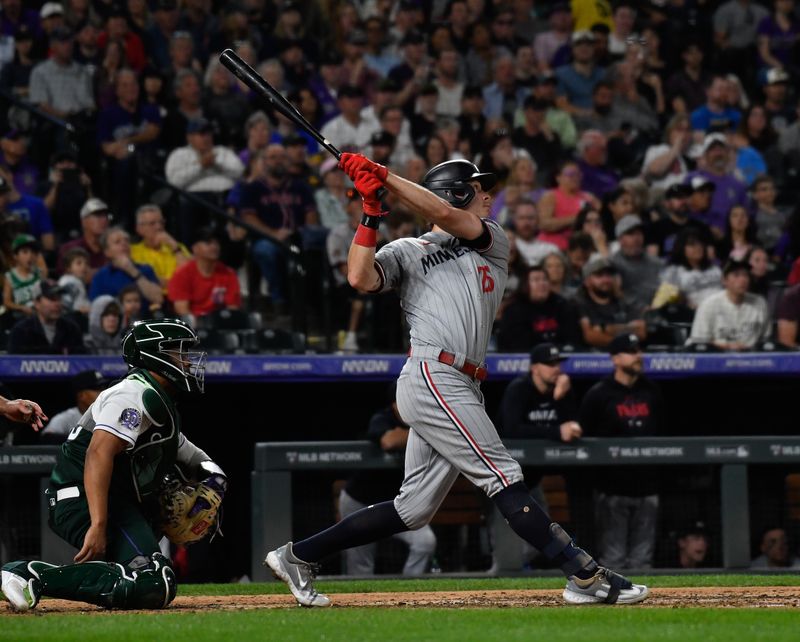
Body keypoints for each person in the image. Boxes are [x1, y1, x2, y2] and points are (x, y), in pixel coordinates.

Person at [264, 154, 649, 607]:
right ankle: (582, 574)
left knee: (412, 509)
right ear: (457, 190)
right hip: (432, 372)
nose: (488, 196)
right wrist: (370, 210)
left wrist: (385, 176)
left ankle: (298, 556)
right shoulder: (408, 249)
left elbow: (444, 216)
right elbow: (359, 276)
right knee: (503, 475)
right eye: (479, 188)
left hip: (462, 381)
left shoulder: (493, 241)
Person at [0, 318, 228, 612]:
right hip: (81, 497)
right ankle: (29, 573)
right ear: (155, 355)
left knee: (155, 584)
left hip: (114, 501)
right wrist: (98, 524)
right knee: (154, 582)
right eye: (178, 352)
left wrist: (216, 480)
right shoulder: (131, 394)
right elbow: (98, 453)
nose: (186, 360)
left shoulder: (159, 401)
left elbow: (188, 453)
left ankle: (38, 575)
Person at [579, 333, 665, 569]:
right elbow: (585, 437)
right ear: (615, 359)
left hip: (647, 486)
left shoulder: (652, 391)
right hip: (612, 489)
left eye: (639, 350)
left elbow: (662, 431)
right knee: (613, 559)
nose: (639, 356)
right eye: (631, 351)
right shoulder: (599, 393)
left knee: (642, 561)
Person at [493, 342, 581, 570]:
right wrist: (556, 432)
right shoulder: (519, 389)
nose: (556, 369)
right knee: (507, 559)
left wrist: (563, 398)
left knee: (541, 541)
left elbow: (573, 427)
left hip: (532, 482)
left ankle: (520, 573)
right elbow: (513, 430)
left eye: (558, 363)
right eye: (549, 364)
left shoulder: (560, 391)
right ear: (534, 368)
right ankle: (497, 587)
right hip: (503, 483)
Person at [338, 382, 437, 576]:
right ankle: (360, 604)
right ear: (394, 405)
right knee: (361, 568)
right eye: (404, 402)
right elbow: (388, 441)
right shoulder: (382, 418)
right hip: (359, 502)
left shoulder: (422, 420)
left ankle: (408, 592)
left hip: (396, 505)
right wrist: (426, 431)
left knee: (425, 542)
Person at [689, 258, 771, 350]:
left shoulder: (760, 303)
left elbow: (765, 339)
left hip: (752, 358)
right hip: (717, 357)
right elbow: (699, 342)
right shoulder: (709, 304)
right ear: (724, 280)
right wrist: (727, 347)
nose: (743, 280)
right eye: (736, 275)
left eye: (746, 275)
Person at [496, 264, 580, 352]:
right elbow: (516, 344)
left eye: (545, 279)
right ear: (526, 285)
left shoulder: (562, 305)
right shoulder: (513, 310)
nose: (542, 283)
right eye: (536, 280)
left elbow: (572, 338)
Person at [167, 227, 241, 323]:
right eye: (208, 243)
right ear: (195, 248)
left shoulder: (228, 274)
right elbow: (182, 311)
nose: (214, 247)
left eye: (216, 243)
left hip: (220, 324)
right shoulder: (182, 274)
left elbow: (233, 309)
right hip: (193, 326)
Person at [572, 256, 646, 349]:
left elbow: (641, 332)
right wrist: (626, 332)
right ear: (587, 281)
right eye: (599, 275)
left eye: (609, 275)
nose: (606, 280)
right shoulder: (579, 303)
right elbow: (591, 337)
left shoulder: (625, 301)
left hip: (625, 356)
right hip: (591, 359)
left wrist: (606, 329)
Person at [89, 227, 163, 311]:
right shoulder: (100, 277)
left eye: (127, 240)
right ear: (107, 252)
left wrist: (133, 271)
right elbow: (95, 308)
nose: (124, 244)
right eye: (117, 242)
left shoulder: (145, 269)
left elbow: (158, 299)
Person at [7, 279, 86, 354]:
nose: (57, 304)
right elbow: (13, 365)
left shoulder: (71, 329)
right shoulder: (21, 331)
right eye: (52, 298)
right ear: (37, 303)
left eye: (59, 298)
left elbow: (82, 363)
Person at [610, 216, 663, 314]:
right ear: (620, 239)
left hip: (659, 313)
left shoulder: (656, 263)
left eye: (639, 233)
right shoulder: (614, 264)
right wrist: (642, 308)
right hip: (628, 316)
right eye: (630, 234)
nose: (636, 238)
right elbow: (618, 293)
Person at [129, 204, 190, 288]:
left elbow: (190, 275)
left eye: (161, 222)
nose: (159, 227)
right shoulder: (133, 251)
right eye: (152, 223)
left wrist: (173, 246)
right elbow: (146, 281)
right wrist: (176, 283)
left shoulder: (177, 247)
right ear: (139, 229)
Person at [39, 370, 108, 442]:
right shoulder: (68, 417)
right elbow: (46, 437)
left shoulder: (110, 415)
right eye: (97, 389)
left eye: (103, 388)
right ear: (81, 395)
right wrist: (81, 440)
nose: (102, 392)